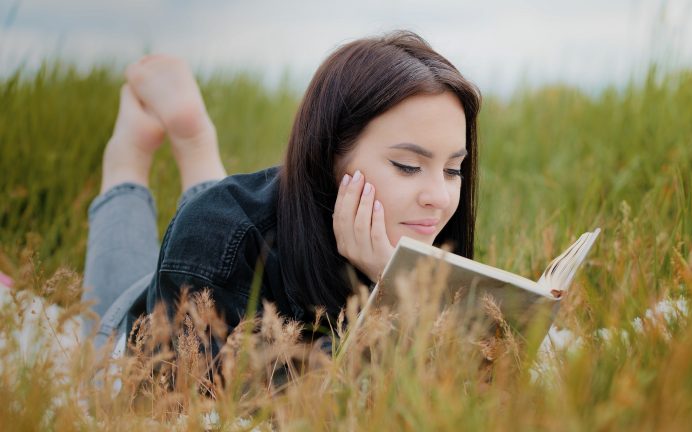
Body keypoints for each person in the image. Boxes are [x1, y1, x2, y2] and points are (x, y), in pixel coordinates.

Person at [83, 31, 481, 357]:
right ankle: (130, 154)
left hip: (227, 243)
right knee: (193, 231)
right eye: (408, 166)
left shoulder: (429, 229)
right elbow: (191, 402)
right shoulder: (216, 235)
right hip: (142, 329)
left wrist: (391, 282)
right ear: (329, 156)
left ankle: (196, 145)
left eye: (452, 170)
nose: (439, 198)